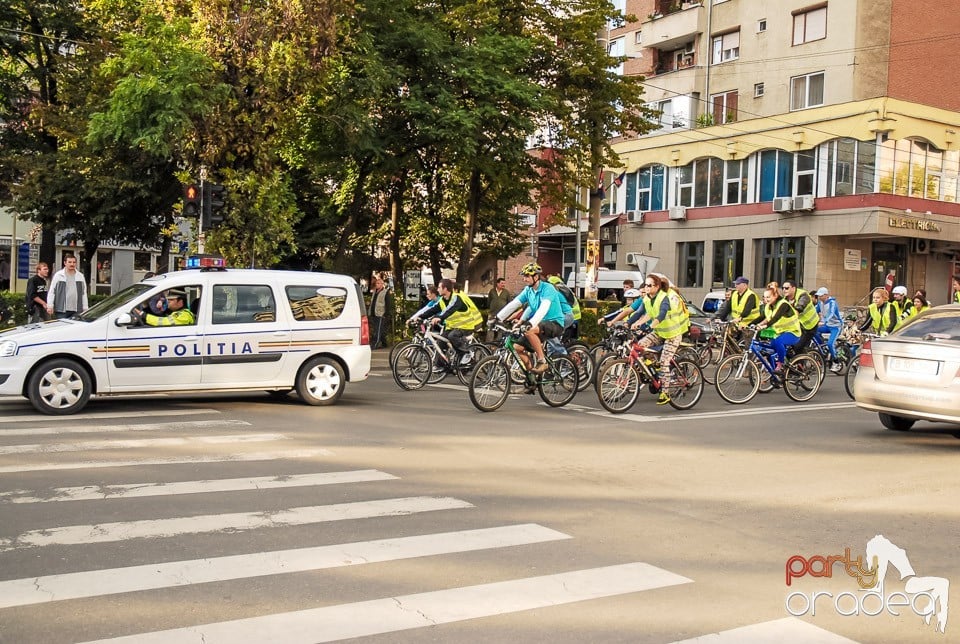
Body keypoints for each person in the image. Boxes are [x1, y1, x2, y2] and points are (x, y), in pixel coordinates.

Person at [628, 274, 690, 404]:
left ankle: (665, 393)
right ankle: (653, 365)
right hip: (660, 332)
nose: (646, 287)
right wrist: (630, 323)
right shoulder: (647, 299)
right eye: (645, 285)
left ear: (657, 287)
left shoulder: (664, 298)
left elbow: (661, 314)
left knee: (664, 362)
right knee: (640, 345)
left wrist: (651, 325)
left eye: (649, 285)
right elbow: (643, 314)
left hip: (673, 334)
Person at [495, 263, 566, 377]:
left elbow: (544, 307)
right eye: (524, 276)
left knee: (529, 330)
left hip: (555, 323)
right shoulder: (528, 290)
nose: (524, 279)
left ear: (536, 277)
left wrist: (530, 323)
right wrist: (498, 318)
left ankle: (542, 361)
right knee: (517, 348)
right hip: (540, 325)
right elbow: (515, 303)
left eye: (527, 276)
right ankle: (531, 377)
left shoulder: (548, 289)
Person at [420, 278, 484, 357]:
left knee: (452, 336)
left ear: (445, 289)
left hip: (465, 326)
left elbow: (450, 310)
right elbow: (433, 310)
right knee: (441, 341)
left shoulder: (456, 298)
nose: (438, 289)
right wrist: (419, 317)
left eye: (439, 287)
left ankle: (465, 354)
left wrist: (440, 317)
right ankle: (440, 366)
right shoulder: (443, 300)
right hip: (453, 327)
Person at [755, 282, 801, 375]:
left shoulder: (783, 304)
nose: (766, 299)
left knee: (778, 342)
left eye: (768, 297)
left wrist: (764, 326)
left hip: (793, 332)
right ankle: (775, 373)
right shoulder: (768, 306)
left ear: (775, 296)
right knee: (769, 348)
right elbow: (764, 318)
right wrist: (751, 324)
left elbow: (775, 318)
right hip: (779, 332)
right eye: (764, 297)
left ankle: (781, 365)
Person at [782, 281, 819, 353]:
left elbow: (798, 309)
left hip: (810, 326)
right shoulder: (785, 299)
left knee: (797, 347)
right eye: (782, 288)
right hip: (799, 326)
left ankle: (802, 362)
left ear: (793, 288)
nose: (784, 290)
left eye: (786, 288)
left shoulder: (803, 295)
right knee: (787, 345)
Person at [815, 287, 844, 372]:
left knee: (830, 344)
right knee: (813, 331)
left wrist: (824, 321)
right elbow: (814, 311)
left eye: (821, 295)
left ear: (826, 295)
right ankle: (823, 347)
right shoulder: (820, 303)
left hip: (836, 326)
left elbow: (831, 314)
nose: (819, 297)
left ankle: (836, 362)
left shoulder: (832, 303)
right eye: (818, 296)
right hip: (827, 325)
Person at [547, 274, 581, 341]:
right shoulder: (566, 290)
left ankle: (561, 350)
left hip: (569, 317)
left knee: (556, 337)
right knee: (569, 339)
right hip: (576, 316)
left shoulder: (558, 292)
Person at [486, 277, 513, 343]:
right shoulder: (492, 291)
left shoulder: (506, 292)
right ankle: (489, 343)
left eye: (504, 283)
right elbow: (489, 301)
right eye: (502, 283)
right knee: (490, 328)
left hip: (502, 315)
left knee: (501, 328)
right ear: (497, 284)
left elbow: (509, 303)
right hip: (492, 314)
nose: (503, 285)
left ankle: (499, 342)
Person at [368, 276, 392, 349]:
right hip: (374, 313)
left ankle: (375, 344)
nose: (377, 284)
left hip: (381, 314)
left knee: (377, 330)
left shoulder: (385, 292)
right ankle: (384, 343)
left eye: (378, 283)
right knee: (378, 329)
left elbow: (388, 304)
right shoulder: (374, 292)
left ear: (382, 284)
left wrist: (386, 313)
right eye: (376, 283)